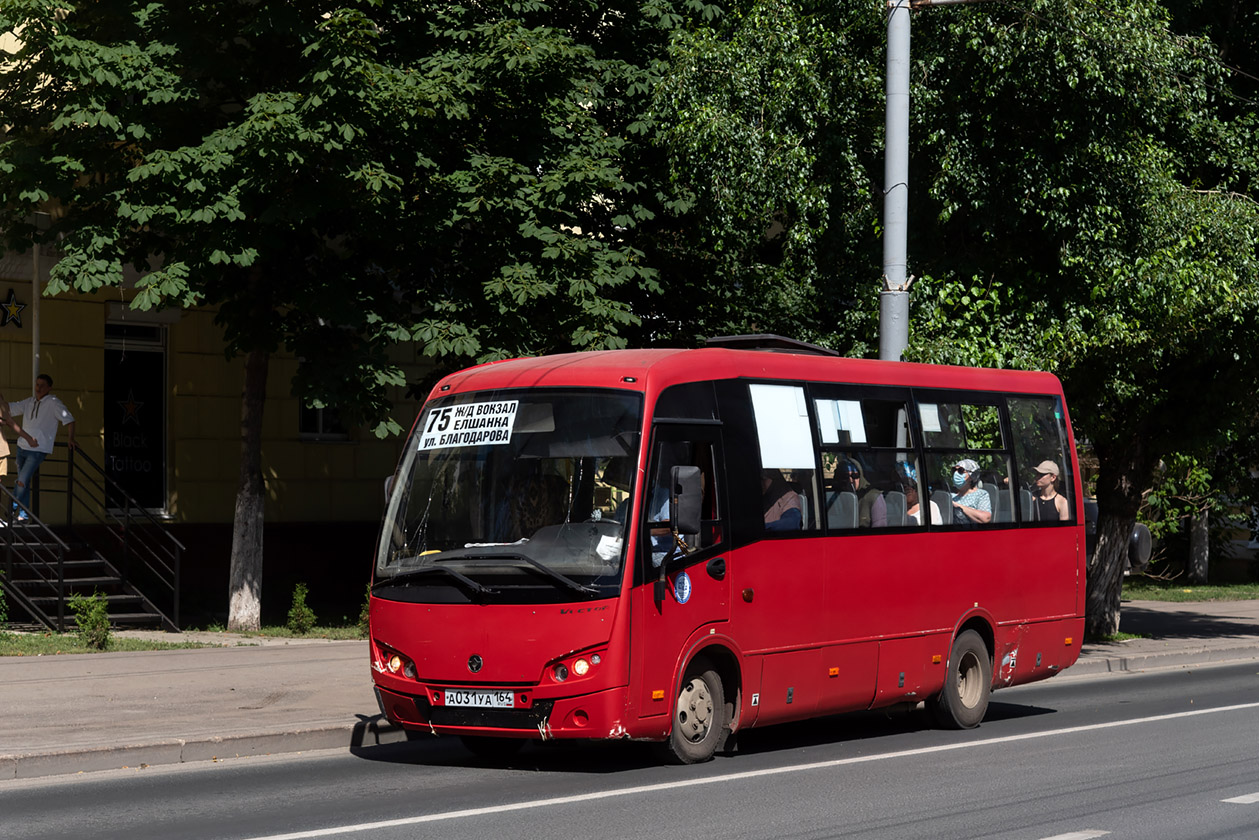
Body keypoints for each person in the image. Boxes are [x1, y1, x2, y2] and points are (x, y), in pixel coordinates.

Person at [8, 373, 76, 520]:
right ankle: (23, 514)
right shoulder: (29, 401)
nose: (38, 388)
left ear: (49, 387)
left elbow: (69, 419)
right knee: (23, 481)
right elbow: (10, 408)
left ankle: (11, 507)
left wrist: (71, 438)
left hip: (37, 449)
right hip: (22, 447)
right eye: (37, 384)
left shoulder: (53, 402)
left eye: (42, 385)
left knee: (22, 480)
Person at [839, 458, 886, 527]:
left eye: (854, 476)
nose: (851, 480)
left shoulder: (873, 497)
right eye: (846, 477)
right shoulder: (837, 498)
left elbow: (879, 531)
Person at [950, 458, 991, 525]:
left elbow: (985, 518)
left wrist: (957, 506)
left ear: (972, 476)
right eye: (954, 470)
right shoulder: (951, 496)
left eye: (961, 470)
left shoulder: (981, 494)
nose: (956, 473)